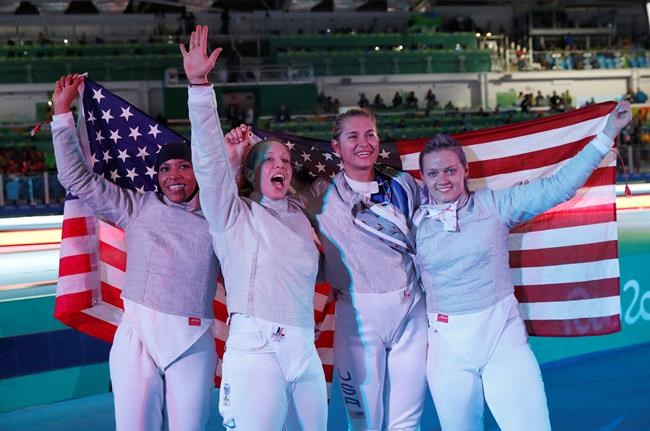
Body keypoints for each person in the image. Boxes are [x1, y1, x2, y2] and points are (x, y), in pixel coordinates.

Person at [413, 101, 631, 431]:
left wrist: (607, 134)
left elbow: (559, 187)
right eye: (433, 173)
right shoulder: (413, 222)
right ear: (422, 178)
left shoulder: (496, 205)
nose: (442, 179)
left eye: (450, 170)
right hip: (447, 348)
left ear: (465, 171)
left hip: (503, 339)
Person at [50, 74, 220, 431]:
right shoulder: (137, 206)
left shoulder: (221, 217)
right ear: (156, 176)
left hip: (192, 340)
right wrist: (62, 114)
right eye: (165, 168)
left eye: (183, 166)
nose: (174, 176)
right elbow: (76, 179)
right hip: (137, 336)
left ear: (198, 172)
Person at [180, 25, 327, 431]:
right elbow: (209, 163)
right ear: (252, 170)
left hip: (304, 352)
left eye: (285, 160)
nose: (280, 165)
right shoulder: (232, 216)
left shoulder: (300, 215)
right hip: (257, 350)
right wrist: (198, 86)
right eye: (268, 160)